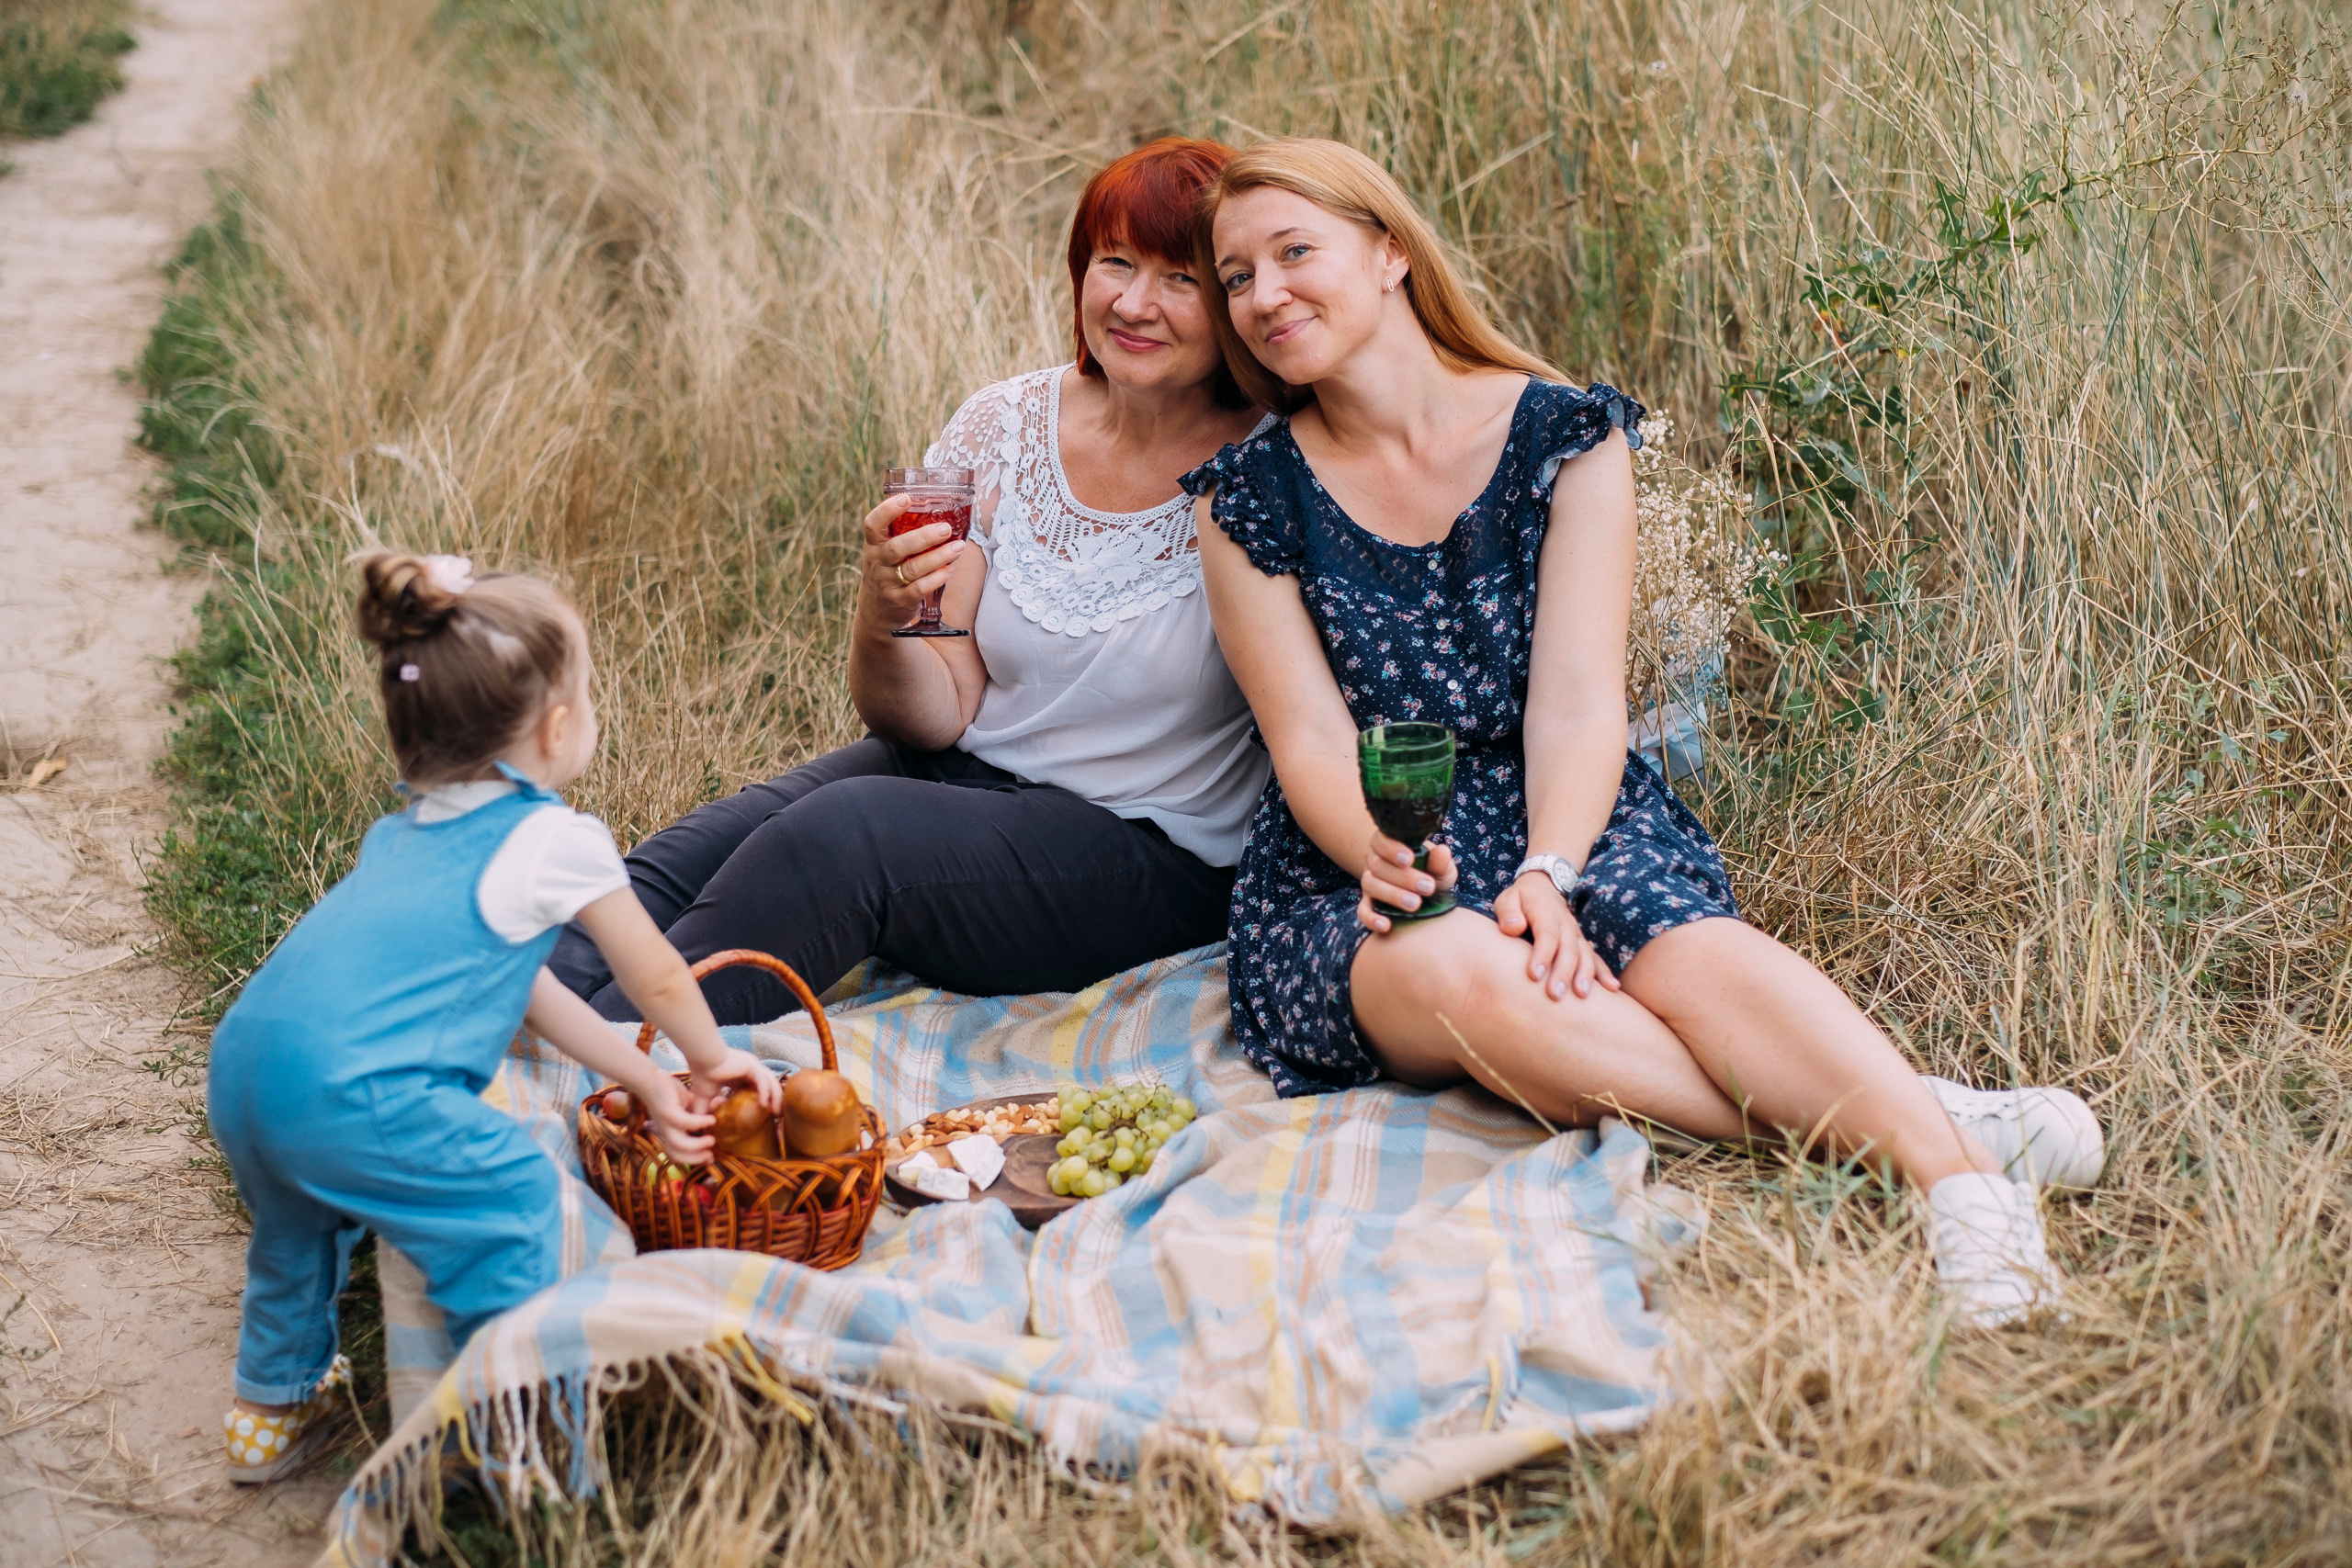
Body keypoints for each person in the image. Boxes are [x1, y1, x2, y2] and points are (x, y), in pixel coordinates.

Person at [1182, 138, 2103, 1326]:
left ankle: (1961, 1186)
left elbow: (1577, 699)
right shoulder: (1246, 498)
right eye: (1236, 275)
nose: (1263, 295)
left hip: (1572, 798)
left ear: (1391, 253)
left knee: (1688, 952)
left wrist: (1552, 869)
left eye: (1292, 253)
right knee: (1464, 963)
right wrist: (1383, 852)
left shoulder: (1564, 433)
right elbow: (1308, 738)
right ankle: (1910, 1115)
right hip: (1364, 851)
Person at [548, 138, 1273, 1026]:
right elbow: (935, 710)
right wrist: (886, 608)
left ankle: (595, 1067)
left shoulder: (1271, 468)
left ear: (1236, 298)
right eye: (1113, 263)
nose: (1132, 302)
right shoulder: (1006, 422)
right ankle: (485, 1018)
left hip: (1145, 851)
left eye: (1179, 278)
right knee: (688, 856)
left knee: (844, 842)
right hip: (964, 769)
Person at [206, 552, 776, 1483]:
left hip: (250, 1074)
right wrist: (710, 1060)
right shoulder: (554, 839)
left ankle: (267, 1411)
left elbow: (532, 997)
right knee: (511, 1203)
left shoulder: (408, 831)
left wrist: (641, 1076)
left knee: (298, 1234)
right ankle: (522, 1439)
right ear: (558, 727)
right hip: (361, 1096)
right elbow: (662, 978)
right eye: (589, 696)